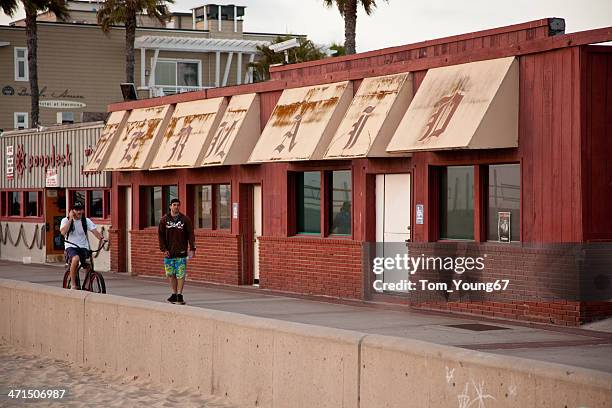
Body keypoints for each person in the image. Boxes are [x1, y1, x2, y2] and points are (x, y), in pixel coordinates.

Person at [59, 201, 107, 289]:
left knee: (89, 266)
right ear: (72, 211)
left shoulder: (86, 221)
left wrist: (102, 238)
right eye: (76, 210)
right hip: (71, 246)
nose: (79, 212)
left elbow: (95, 232)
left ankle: (87, 285)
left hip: (83, 247)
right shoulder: (65, 220)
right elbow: (63, 232)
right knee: (76, 258)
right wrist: (70, 219)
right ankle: (73, 284)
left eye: (81, 209)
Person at [158, 198, 196, 304]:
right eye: (174, 205)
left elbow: (191, 235)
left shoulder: (185, 220)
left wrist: (192, 249)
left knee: (180, 274)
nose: (176, 207)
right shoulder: (164, 220)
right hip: (169, 253)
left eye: (178, 205)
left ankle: (180, 295)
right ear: (170, 206)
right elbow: (160, 236)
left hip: (181, 252)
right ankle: (174, 294)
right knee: (171, 274)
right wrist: (164, 249)